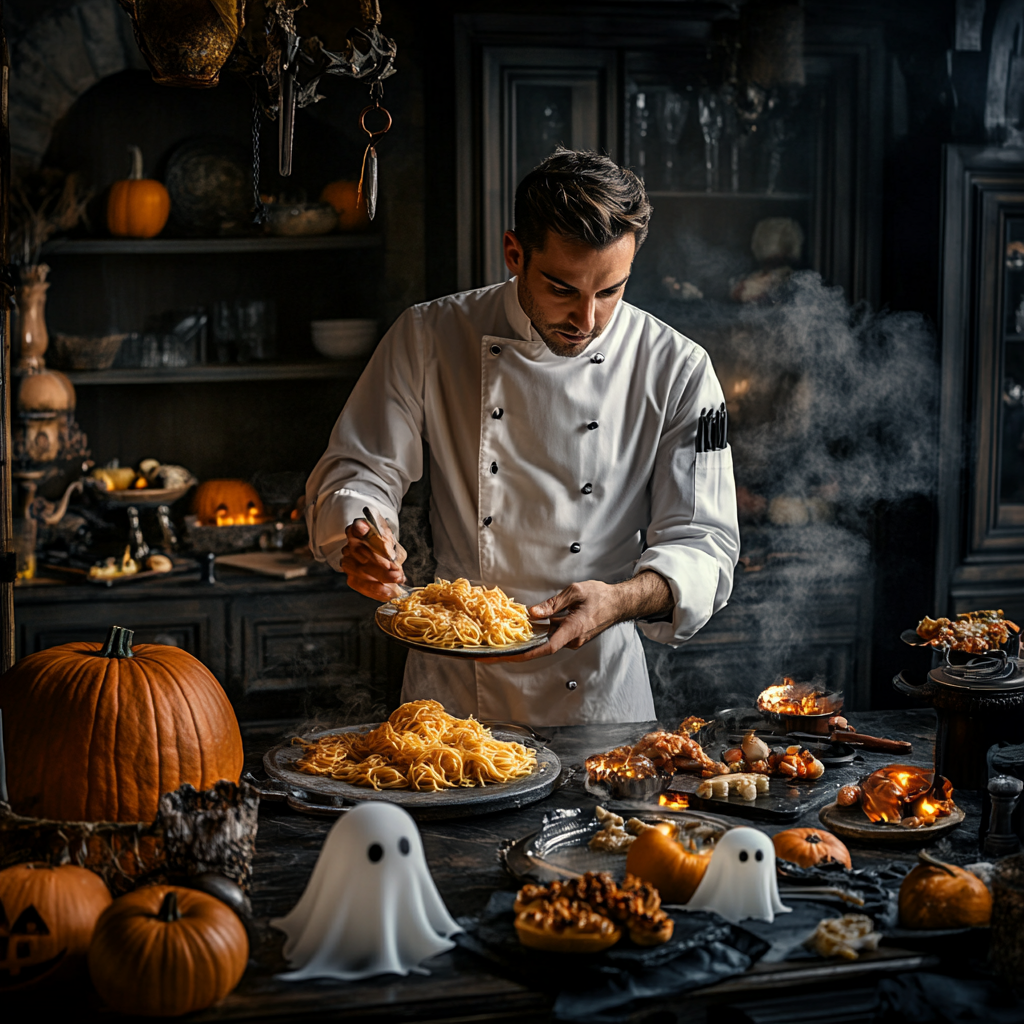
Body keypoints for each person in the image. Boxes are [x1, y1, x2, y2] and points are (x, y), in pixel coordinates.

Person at [306, 148, 739, 726]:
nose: (587, 320)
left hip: (597, 701)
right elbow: (359, 470)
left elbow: (704, 543)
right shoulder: (431, 335)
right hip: (455, 694)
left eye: (610, 291)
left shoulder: (679, 368)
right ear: (514, 253)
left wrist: (619, 601)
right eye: (563, 289)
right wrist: (364, 534)